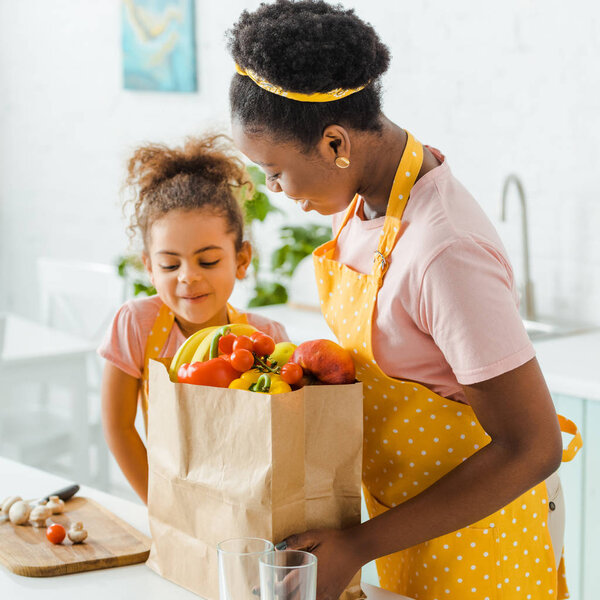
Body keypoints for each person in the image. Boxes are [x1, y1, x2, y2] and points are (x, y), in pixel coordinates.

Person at [227, 2, 581, 599]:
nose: (274, 190)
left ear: (336, 142)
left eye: (275, 172)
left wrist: (360, 544)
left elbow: (533, 447)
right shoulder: (370, 200)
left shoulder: (445, 250)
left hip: (483, 551)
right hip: (407, 529)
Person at [98, 134, 289, 504]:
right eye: (170, 264)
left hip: (247, 503)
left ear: (242, 259)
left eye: (208, 261)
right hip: (172, 499)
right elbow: (118, 428)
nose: (188, 276)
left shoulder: (267, 335)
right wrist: (161, 506)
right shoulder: (135, 324)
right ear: (150, 268)